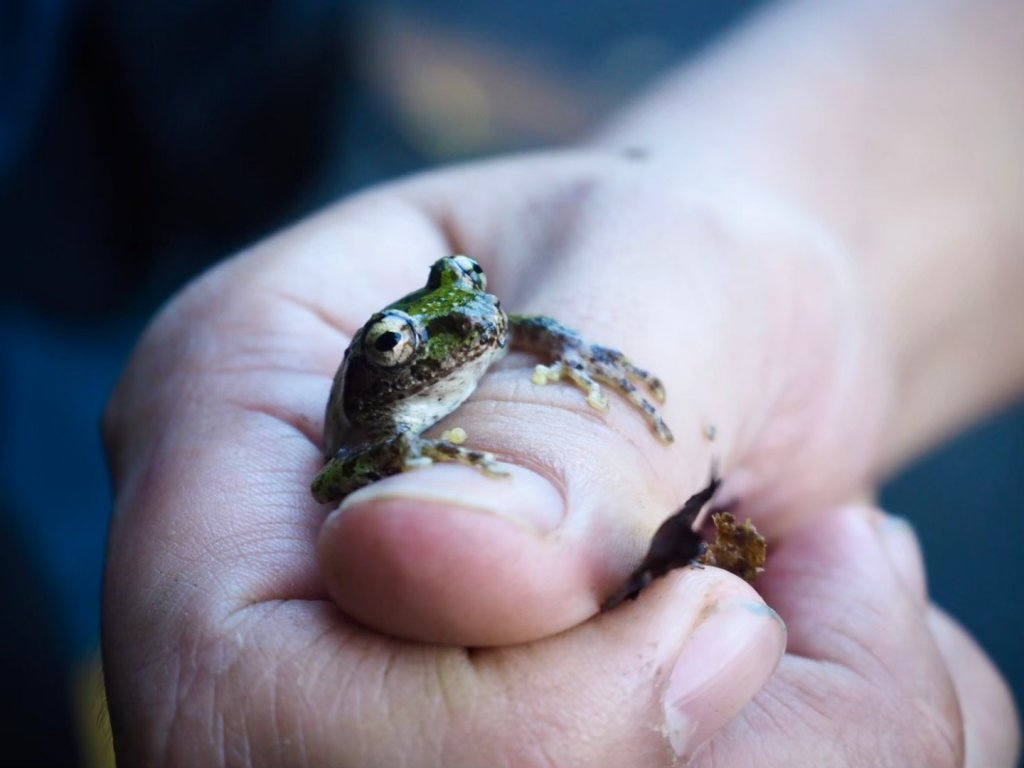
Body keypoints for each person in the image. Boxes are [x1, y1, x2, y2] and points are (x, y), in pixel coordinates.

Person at [101, 0, 1023, 764]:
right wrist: (406, 452)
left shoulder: (483, 328)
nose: (477, 320)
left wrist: (583, 345)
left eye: (469, 291)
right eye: (400, 340)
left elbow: (511, 329)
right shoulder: (373, 421)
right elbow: (325, 477)